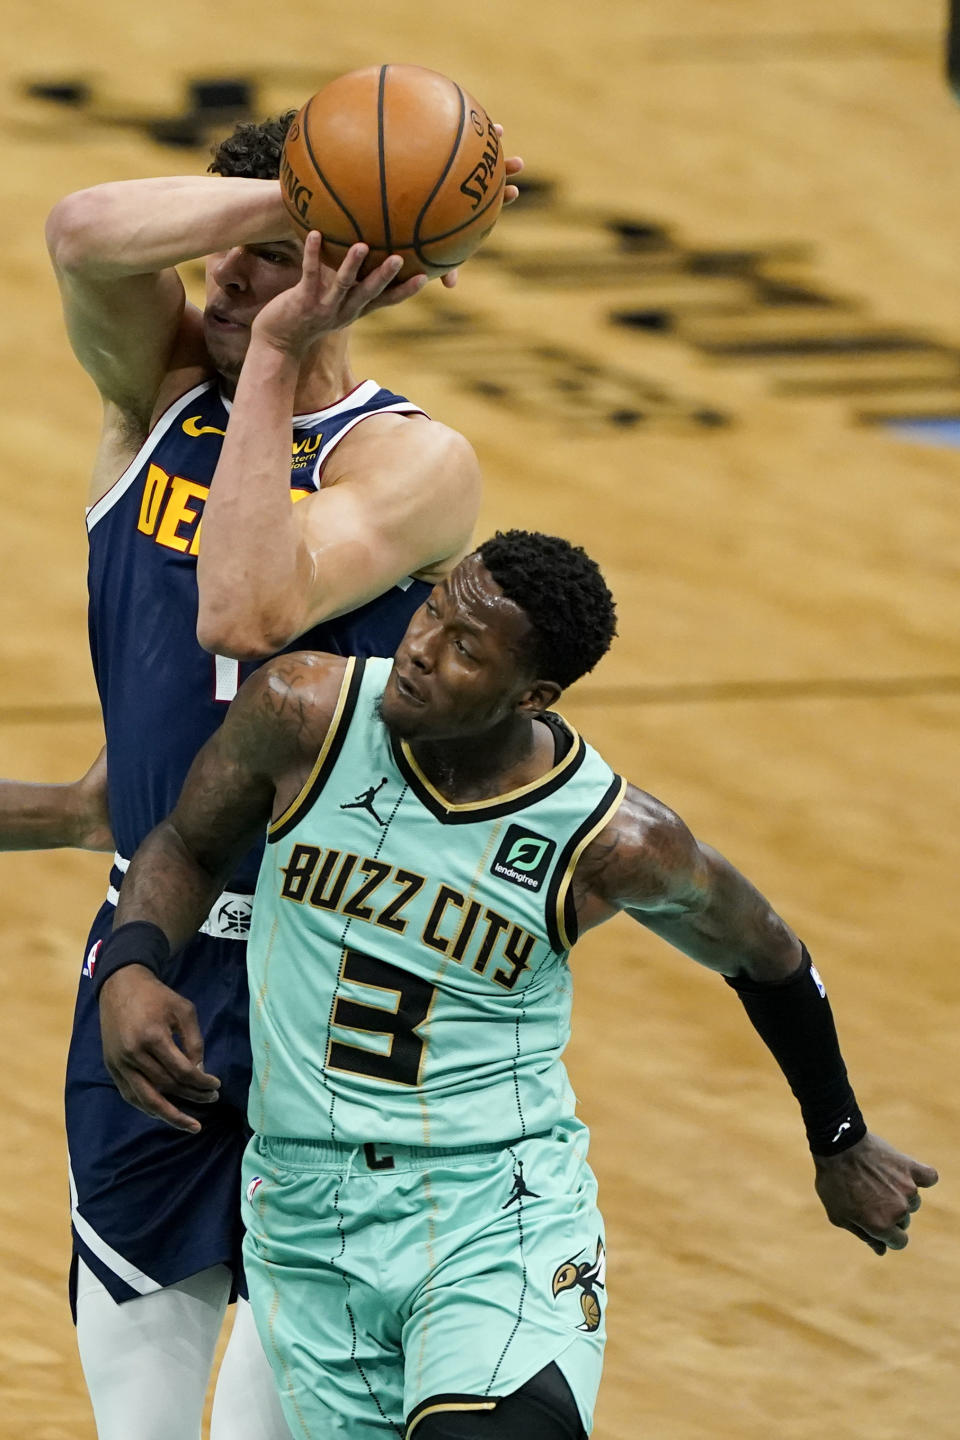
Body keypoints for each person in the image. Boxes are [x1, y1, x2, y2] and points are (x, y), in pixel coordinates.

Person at [93, 531, 937, 1440]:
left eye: (465, 649)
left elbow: (768, 956)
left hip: (496, 1212)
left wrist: (839, 1135)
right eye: (431, 614)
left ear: (532, 697)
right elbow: (186, 844)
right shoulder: (304, 713)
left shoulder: (611, 840)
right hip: (305, 1214)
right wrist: (132, 962)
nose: (419, 648)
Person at [1, 109, 521, 1439]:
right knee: (141, 1422)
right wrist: (281, 208)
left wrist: (287, 348)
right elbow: (78, 232)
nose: (229, 283)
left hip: (339, 994)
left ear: (350, 279)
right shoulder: (155, 395)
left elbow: (243, 608)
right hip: (156, 962)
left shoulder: (413, 463)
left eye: (270, 257)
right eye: (223, 248)